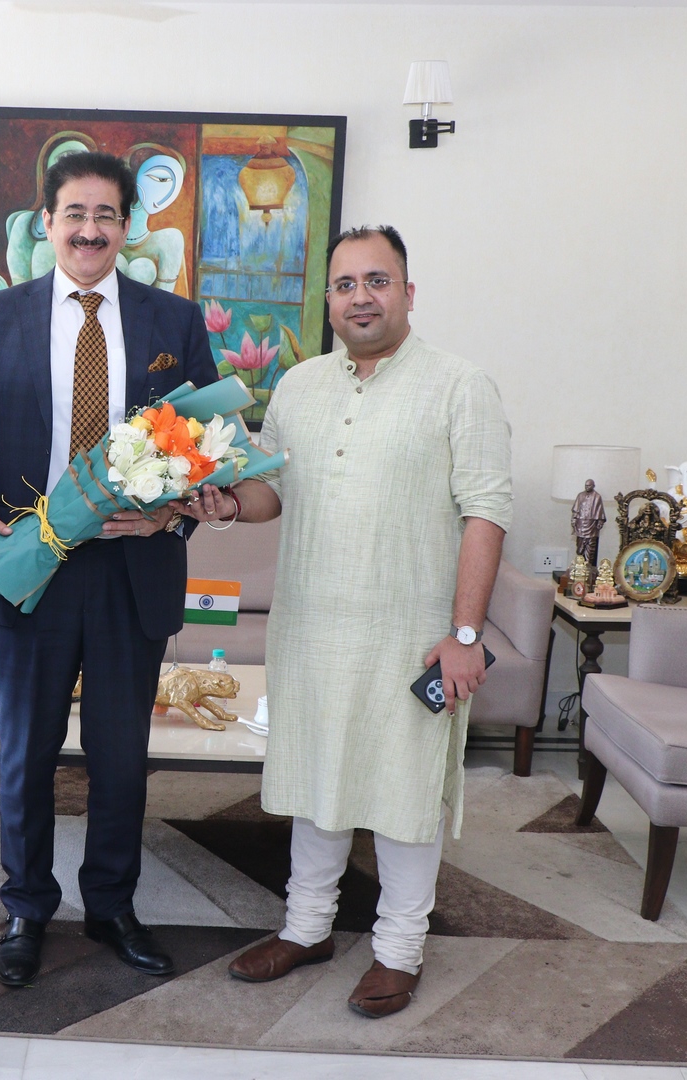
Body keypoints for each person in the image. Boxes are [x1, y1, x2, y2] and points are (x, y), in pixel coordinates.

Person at [176, 225, 512, 1019]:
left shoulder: (461, 385)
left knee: (403, 790)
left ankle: (399, 950)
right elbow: (273, 491)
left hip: (410, 634)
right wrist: (225, 503)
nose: (361, 297)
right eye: (346, 284)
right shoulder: (298, 386)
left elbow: (487, 511)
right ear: (328, 299)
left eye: (377, 281)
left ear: (408, 292)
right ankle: (307, 928)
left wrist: (465, 635)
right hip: (311, 627)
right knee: (316, 778)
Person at [0, 150, 220, 987]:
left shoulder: (174, 322)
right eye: (75, 213)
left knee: (120, 757)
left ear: (127, 227)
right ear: (48, 223)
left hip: (132, 566)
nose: (91, 229)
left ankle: (110, 905)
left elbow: (207, 442)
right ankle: (26, 907)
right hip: (32, 564)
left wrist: (175, 511)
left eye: (106, 215)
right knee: (25, 753)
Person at [572, 479, 605, 571]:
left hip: (591, 525)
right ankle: (579, 566)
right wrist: (573, 520)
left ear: (593, 486)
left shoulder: (597, 496)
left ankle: (588, 567)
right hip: (580, 523)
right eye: (586, 485)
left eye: (589, 485)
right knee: (580, 547)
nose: (587, 487)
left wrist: (600, 522)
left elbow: (600, 512)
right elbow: (575, 511)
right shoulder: (580, 495)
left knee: (590, 547)